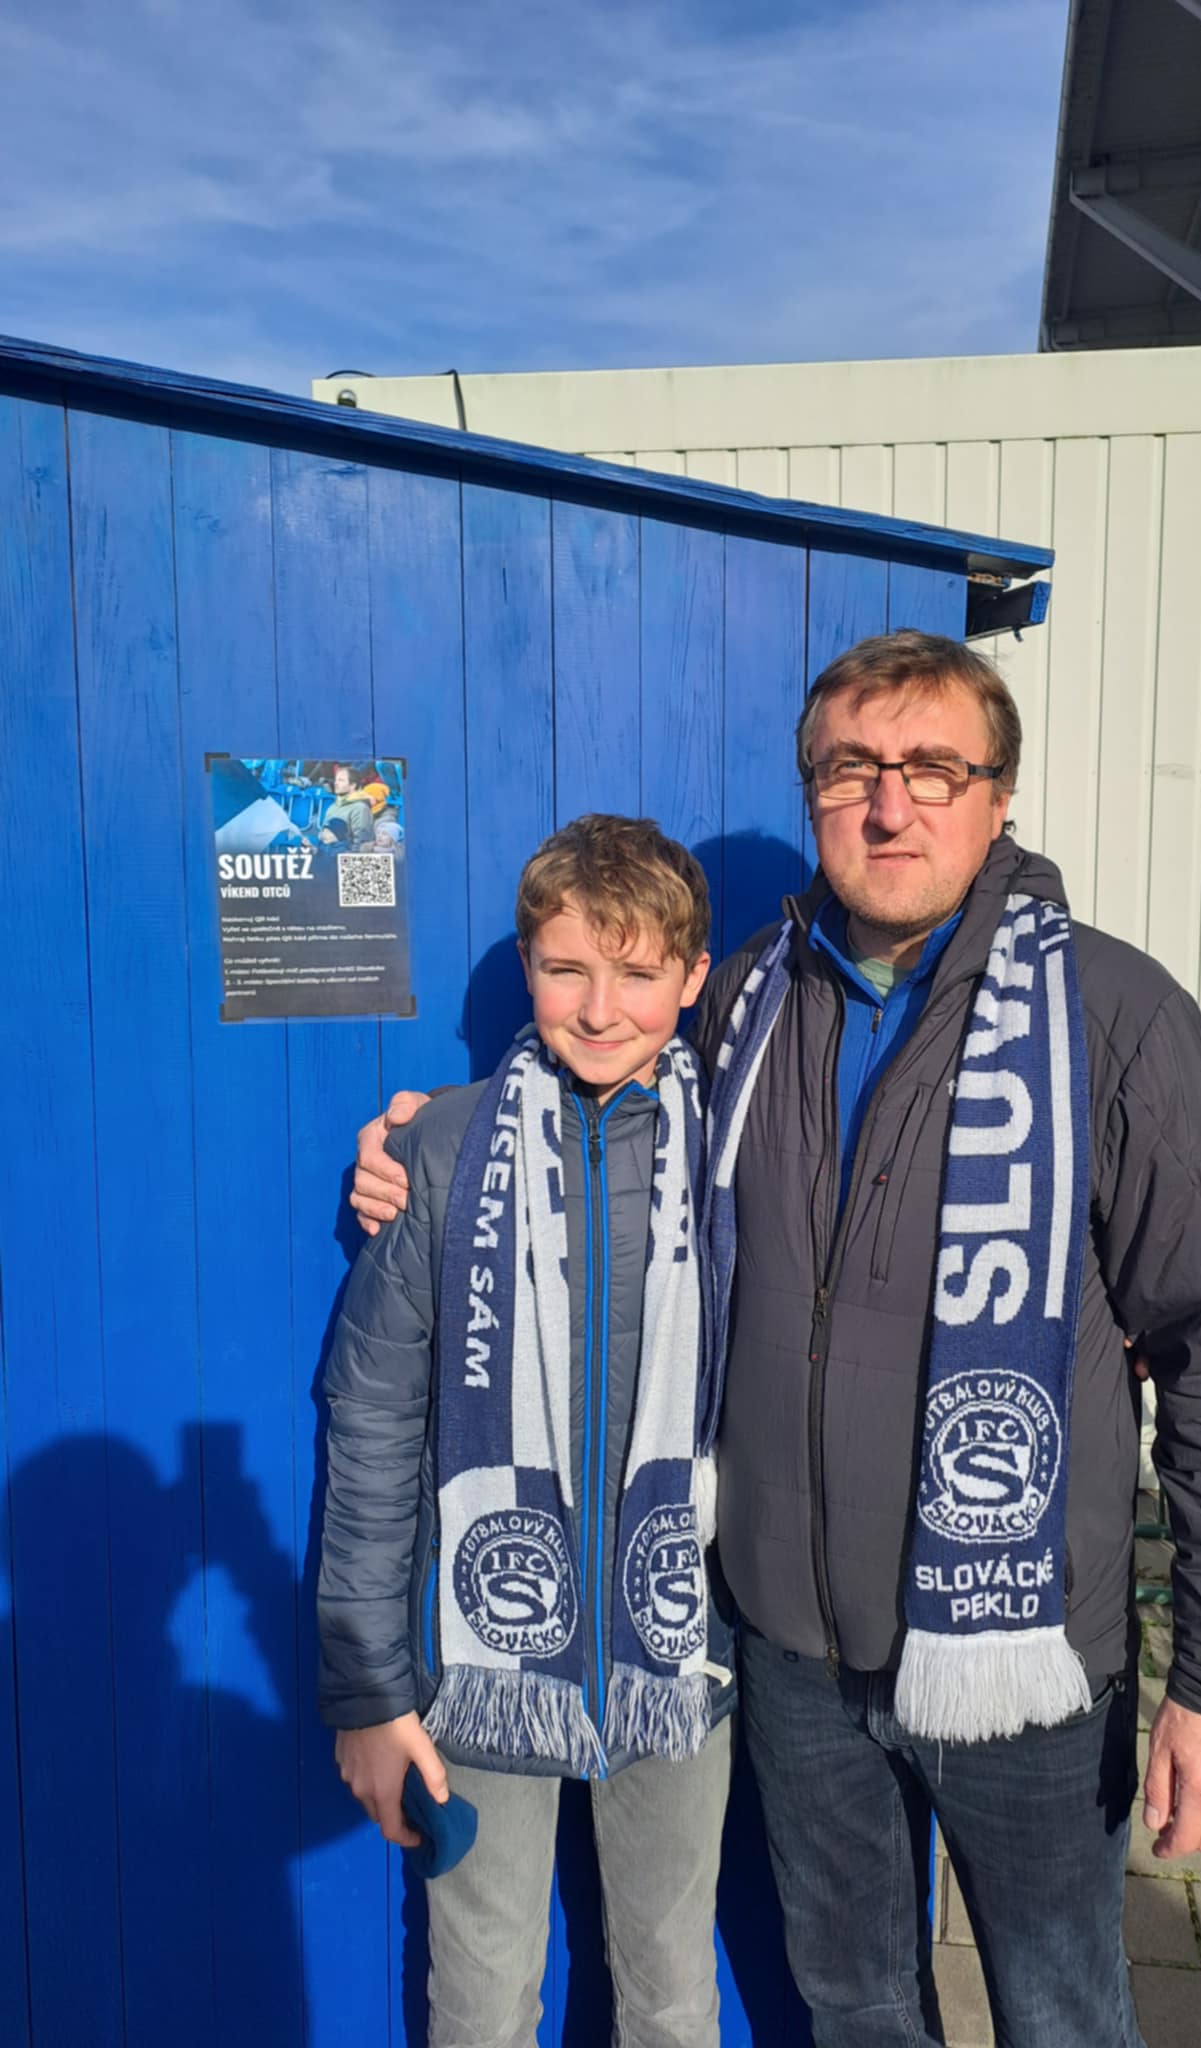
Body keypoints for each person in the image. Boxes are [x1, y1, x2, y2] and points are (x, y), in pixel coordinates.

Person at [351, 632, 1201, 2048]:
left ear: (999, 797)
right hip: (795, 1659)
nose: (891, 803)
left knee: (1061, 2014)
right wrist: (433, 1134)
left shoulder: (1108, 1016)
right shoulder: (749, 998)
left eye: (935, 768)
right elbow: (598, 1079)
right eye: (854, 767)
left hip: (1025, 1656)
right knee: (857, 2008)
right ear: (814, 794)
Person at [319, 813, 736, 2048]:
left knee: (671, 1989)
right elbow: (372, 1415)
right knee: (483, 1993)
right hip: (478, 1658)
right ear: (526, 965)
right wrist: (367, 1687)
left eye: (638, 972)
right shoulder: (444, 1149)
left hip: (679, 1655)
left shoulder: (739, 1147)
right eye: (566, 968)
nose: (600, 1008)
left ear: (694, 979)